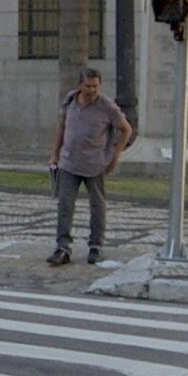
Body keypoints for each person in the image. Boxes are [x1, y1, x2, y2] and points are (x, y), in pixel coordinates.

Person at [44, 67, 134, 268]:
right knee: (65, 205)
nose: (91, 90)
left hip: (95, 164)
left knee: (97, 206)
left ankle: (96, 247)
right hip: (68, 163)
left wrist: (115, 155)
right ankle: (63, 248)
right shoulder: (69, 101)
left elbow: (126, 130)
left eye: (95, 86)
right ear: (79, 86)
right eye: (87, 86)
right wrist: (54, 154)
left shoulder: (107, 107)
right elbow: (62, 127)